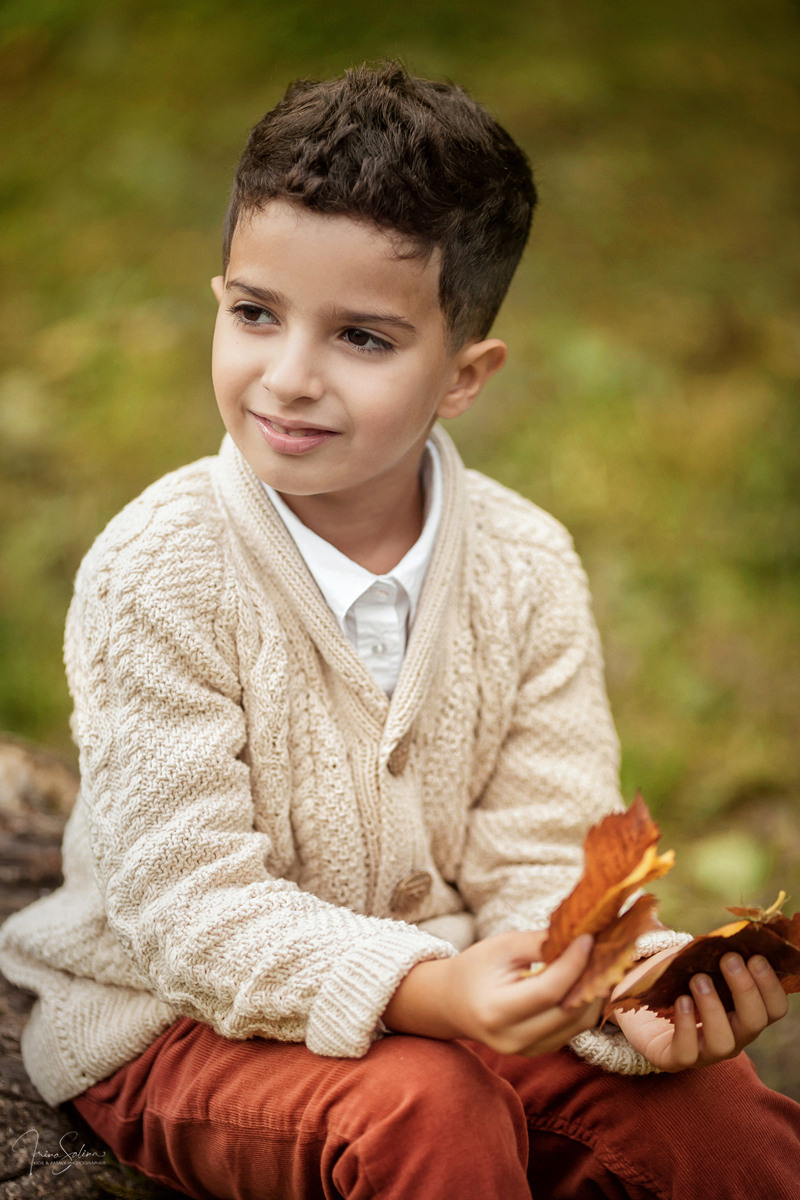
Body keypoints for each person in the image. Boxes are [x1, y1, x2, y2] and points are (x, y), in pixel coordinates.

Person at [0, 61, 797, 1200]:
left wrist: (618, 988)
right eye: (254, 314)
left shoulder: (523, 568)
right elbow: (188, 907)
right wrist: (430, 991)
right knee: (426, 1110)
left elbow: (539, 856)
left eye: (361, 339)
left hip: (452, 1001)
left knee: (717, 1122)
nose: (287, 377)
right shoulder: (160, 567)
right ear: (217, 296)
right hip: (179, 1024)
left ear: (463, 376)